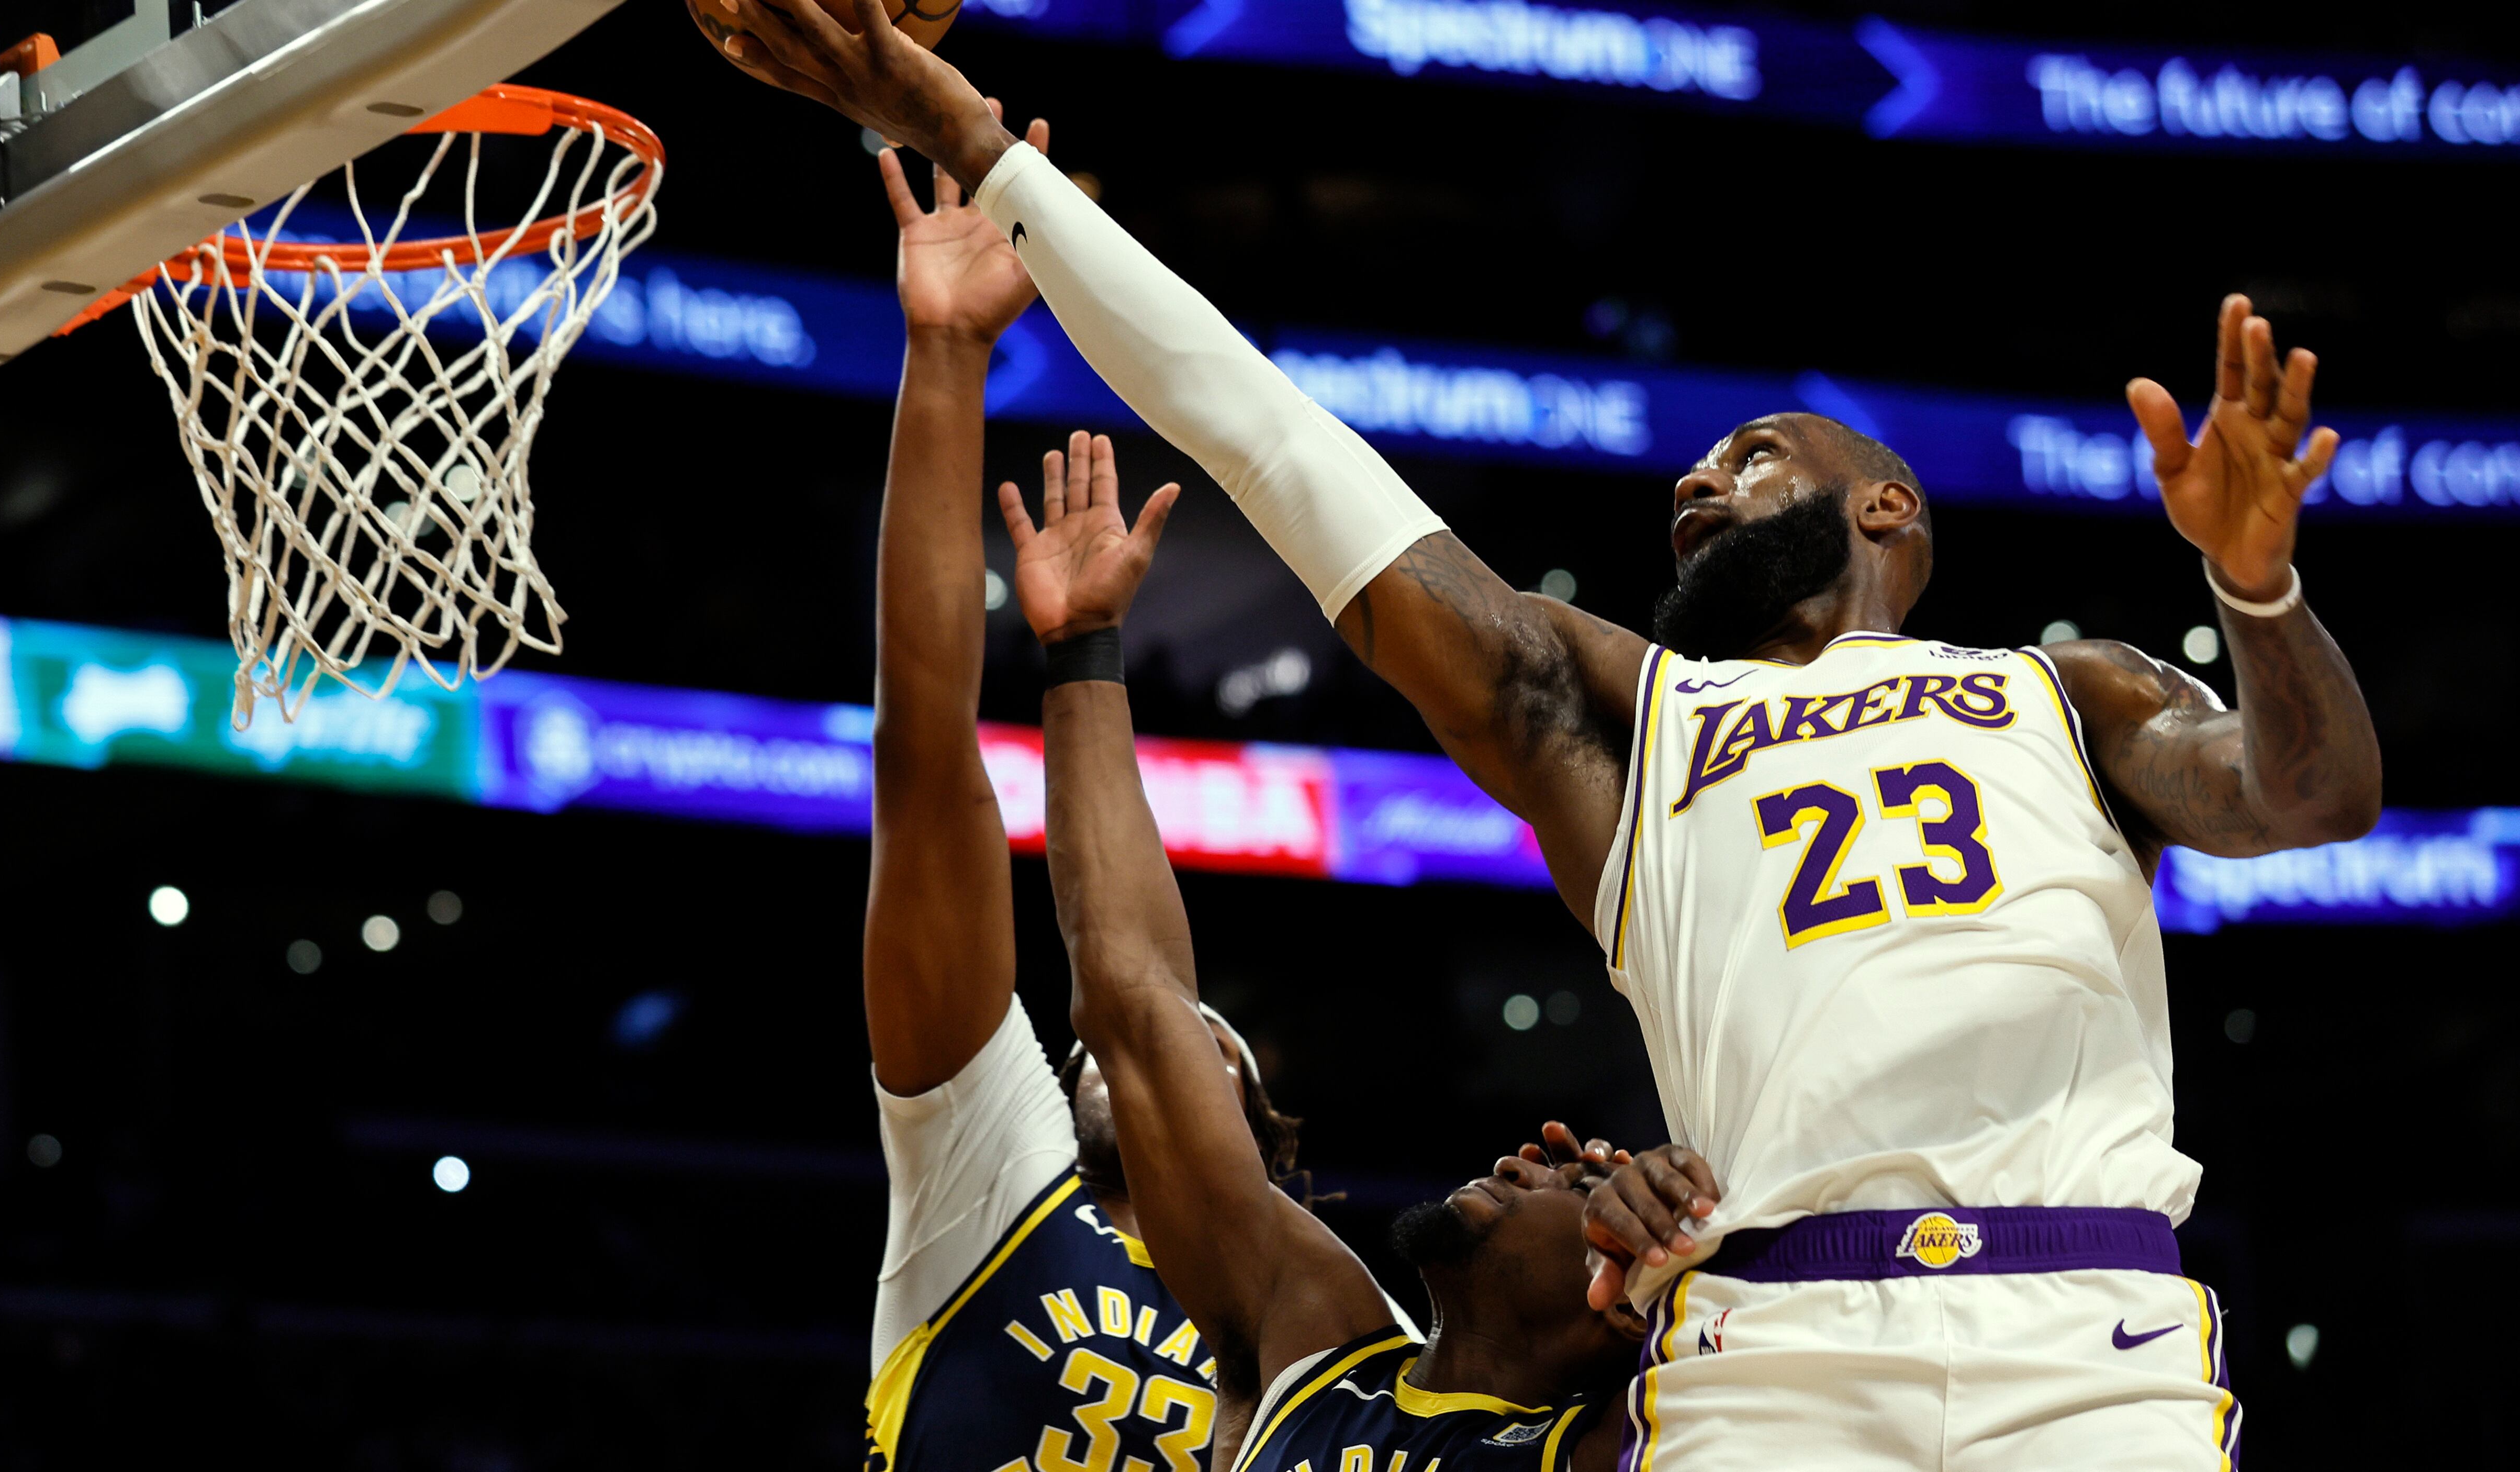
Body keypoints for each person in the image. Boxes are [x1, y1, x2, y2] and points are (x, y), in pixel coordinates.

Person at [716, 7, 2383, 1466]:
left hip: (2088, 1326)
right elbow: (1269, 435)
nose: (1696, 481)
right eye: (1698, 470)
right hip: (1778, 1345)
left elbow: (2308, 795)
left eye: (1750, 453)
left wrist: (2258, 586)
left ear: (1890, 505)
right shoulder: (1625, 724)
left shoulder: (2066, 689)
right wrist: (979, 143)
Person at [1012, 428, 1723, 1471]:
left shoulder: (1623, 1443)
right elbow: (1137, 1001)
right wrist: (1083, 650)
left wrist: (1689, 1271)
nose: (1544, 1147)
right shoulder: (1312, 1334)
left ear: (1620, 1299)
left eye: (1583, 1182)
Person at [849, 114, 1320, 1472]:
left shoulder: (1334, 1324)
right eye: (1097, 1047)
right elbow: (925, 764)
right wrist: (948, 356)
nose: (1121, 1050)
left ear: (1265, 1146)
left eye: (1199, 1048)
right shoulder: (992, 1168)